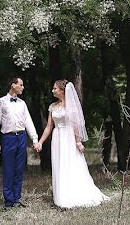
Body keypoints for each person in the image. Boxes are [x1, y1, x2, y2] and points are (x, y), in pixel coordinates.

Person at [37, 79, 110, 209]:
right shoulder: (53, 106)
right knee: (59, 164)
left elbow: (76, 125)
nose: (53, 90)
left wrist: (78, 142)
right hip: (57, 137)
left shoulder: (72, 107)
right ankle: (61, 196)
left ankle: (74, 193)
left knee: (71, 164)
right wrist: (40, 142)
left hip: (69, 138)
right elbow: (48, 126)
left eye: (55, 88)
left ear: (62, 90)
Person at [0, 76, 41, 209]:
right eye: (21, 85)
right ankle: (8, 201)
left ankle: (17, 199)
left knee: (19, 169)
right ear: (13, 85)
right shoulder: (0, 102)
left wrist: (35, 139)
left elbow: (28, 121)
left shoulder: (22, 103)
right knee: (8, 169)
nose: (23, 87)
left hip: (22, 137)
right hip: (8, 138)